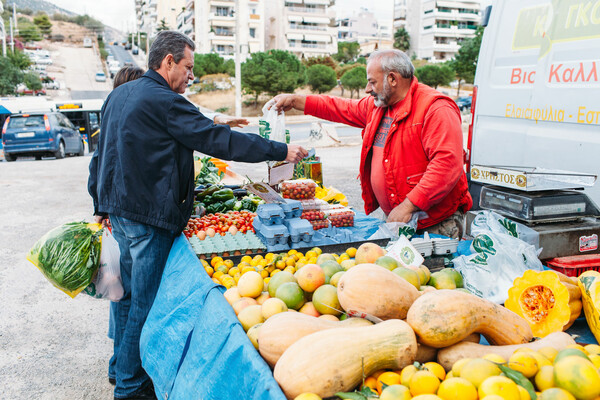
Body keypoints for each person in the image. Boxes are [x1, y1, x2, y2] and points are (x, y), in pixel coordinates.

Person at [89, 31, 307, 400]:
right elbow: (217, 140)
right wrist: (280, 150)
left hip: (121, 213)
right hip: (147, 217)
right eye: (188, 67)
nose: (191, 76)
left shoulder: (119, 95)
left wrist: (101, 205)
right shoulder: (165, 101)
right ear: (168, 61)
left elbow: (102, 155)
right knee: (144, 302)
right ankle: (129, 387)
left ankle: (119, 371)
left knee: (125, 299)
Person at [271, 49, 472, 238]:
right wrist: (297, 101)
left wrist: (408, 205)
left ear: (392, 79)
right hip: (400, 216)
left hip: (433, 223)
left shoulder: (436, 108)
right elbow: (340, 107)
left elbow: (446, 166)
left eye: (372, 82)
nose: (368, 89)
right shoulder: (379, 107)